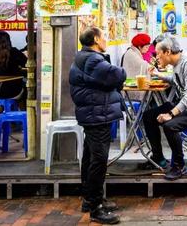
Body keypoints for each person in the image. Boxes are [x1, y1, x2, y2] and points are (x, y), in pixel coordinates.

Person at [69, 27, 126, 225]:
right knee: (99, 159)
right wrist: (121, 75)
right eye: (105, 36)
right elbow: (117, 75)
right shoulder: (93, 59)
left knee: (91, 156)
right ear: (95, 39)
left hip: (94, 112)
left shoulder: (84, 57)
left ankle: (89, 199)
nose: (107, 40)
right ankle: (95, 207)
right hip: (97, 113)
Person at [142, 35, 187, 181]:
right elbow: (176, 80)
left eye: (158, 54)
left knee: (169, 125)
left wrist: (171, 113)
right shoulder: (177, 63)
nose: (156, 57)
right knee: (148, 116)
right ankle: (159, 158)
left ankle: (178, 166)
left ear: (168, 52)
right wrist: (157, 74)